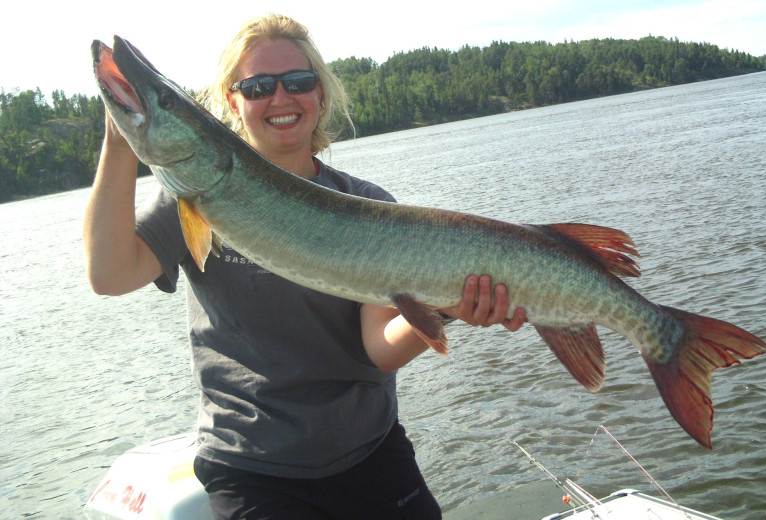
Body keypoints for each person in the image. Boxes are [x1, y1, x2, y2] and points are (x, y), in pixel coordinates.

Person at [83, 13, 527, 520]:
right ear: (232, 101)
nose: (280, 98)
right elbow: (109, 275)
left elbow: (379, 349)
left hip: (369, 453)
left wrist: (449, 308)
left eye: (298, 82)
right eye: (257, 87)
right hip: (252, 469)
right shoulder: (190, 196)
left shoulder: (367, 204)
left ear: (320, 94)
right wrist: (122, 136)